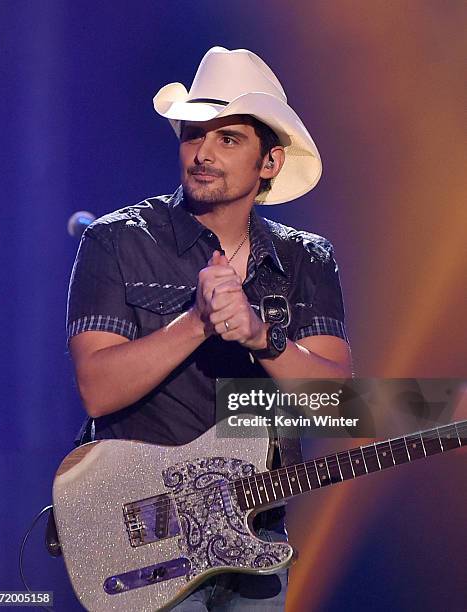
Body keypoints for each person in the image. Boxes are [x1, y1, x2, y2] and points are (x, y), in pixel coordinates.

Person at [67, 46, 352, 611]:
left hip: (258, 532)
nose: (202, 153)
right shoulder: (118, 241)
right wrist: (197, 322)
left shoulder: (307, 261)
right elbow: (97, 389)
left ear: (268, 163)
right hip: (145, 539)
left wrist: (260, 336)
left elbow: (336, 402)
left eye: (228, 139)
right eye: (193, 135)